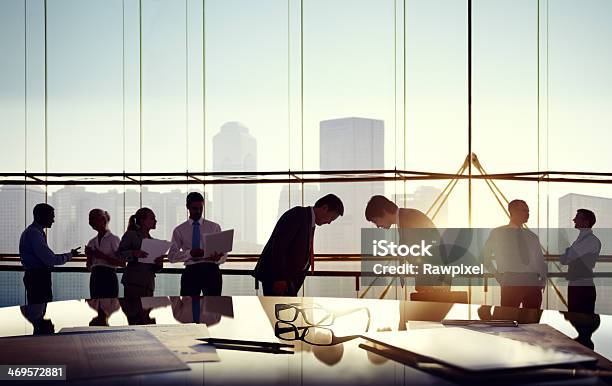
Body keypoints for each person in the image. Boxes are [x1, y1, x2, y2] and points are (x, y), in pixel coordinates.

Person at [253, 194, 344, 296]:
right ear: (324, 208)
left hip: (289, 279)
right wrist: (280, 278)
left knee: (286, 309)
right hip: (278, 278)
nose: (329, 222)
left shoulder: (308, 220)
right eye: (331, 217)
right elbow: (279, 246)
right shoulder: (298, 215)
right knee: (278, 309)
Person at [364, 195, 448, 290]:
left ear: (384, 212)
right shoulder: (405, 218)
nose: (378, 226)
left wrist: (423, 285)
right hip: (433, 276)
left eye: (376, 221)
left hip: (435, 278)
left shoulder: (409, 219)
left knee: (432, 303)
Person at [482, 199, 547, 309]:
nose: (528, 214)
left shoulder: (532, 236)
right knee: (508, 320)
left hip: (533, 284)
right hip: (511, 282)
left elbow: (539, 260)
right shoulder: (498, 233)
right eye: (524, 210)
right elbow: (485, 257)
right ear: (513, 211)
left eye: (528, 211)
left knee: (533, 323)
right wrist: (497, 275)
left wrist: (542, 280)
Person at [19, 203, 80, 304]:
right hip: (38, 279)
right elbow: (50, 259)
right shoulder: (35, 234)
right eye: (51, 216)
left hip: (35, 277)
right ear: (41, 216)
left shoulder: (32, 232)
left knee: (37, 310)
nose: (53, 220)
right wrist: (70, 255)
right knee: (40, 308)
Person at [168, 192, 226, 296]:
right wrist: (190, 253)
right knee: (187, 308)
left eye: (201, 208)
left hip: (212, 271)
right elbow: (172, 256)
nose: (198, 211)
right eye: (195, 208)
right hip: (191, 272)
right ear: (187, 207)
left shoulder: (214, 227)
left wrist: (219, 258)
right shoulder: (179, 230)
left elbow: (223, 254)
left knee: (213, 308)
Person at [559, 209, 600, 314]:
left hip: (583, 287)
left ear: (586, 222)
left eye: (577, 218)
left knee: (582, 321)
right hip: (576, 284)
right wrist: (568, 254)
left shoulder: (591, 241)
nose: (574, 220)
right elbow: (567, 257)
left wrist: (568, 253)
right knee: (576, 319)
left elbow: (568, 256)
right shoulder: (581, 239)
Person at [118, 207, 163, 298]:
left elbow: (156, 268)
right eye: (152, 218)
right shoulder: (131, 235)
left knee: (145, 311)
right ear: (142, 221)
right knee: (134, 310)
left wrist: (158, 263)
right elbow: (119, 255)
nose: (155, 221)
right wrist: (133, 253)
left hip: (149, 284)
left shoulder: (153, 241)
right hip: (133, 282)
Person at [85, 209, 125, 299]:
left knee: (109, 307)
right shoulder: (91, 242)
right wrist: (89, 256)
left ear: (103, 219)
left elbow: (122, 263)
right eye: (90, 219)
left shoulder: (113, 239)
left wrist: (102, 256)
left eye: (92, 218)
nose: (90, 222)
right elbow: (88, 267)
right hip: (95, 277)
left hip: (109, 277)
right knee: (96, 306)